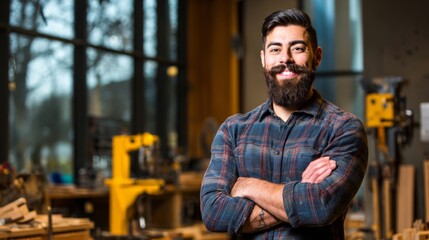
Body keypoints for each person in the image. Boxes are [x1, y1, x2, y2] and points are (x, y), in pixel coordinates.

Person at [200, 8, 368, 239]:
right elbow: (213, 213)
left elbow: (321, 206)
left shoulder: (343, 129)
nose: (285, 59)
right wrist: (301, 192)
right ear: (263, 59)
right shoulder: (233, 130)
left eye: (297, 48)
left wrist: (248, 186)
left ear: (316, 57)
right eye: (275, 49)